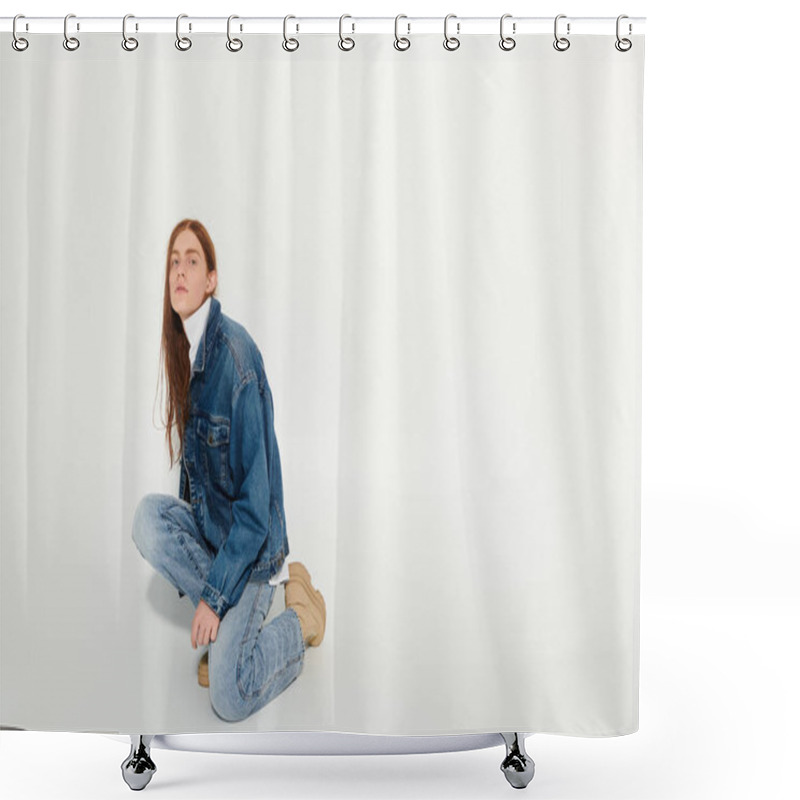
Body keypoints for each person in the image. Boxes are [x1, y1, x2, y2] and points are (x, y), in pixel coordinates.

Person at [132, 218, 325, 723]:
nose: (180, 269)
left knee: (228, 696)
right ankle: (231, 641)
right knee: (146, 520)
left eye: (192, 260)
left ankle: (295, 618)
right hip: (216, 535)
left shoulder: (236, 358)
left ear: (211, 279)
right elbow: (193, 480)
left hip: (252, 550)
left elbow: (256, 511)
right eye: (174, 260)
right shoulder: (185, 350)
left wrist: (214, 601)